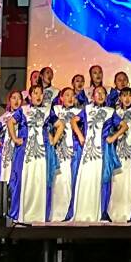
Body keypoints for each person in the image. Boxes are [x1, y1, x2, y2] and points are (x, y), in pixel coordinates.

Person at [71, 86, 115, 222]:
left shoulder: (110, 111)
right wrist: (80, 135)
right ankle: (82, 211)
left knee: (98, 179)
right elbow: (73, 121)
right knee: (86, 178)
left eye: (103, 93)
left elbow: (124, 125)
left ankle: (97, 212)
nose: (100, 95)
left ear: (106, 96)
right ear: (92, 96)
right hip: (87, 150)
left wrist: (113, 137)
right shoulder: (87, 109)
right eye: (97, 93)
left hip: (101, 151)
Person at [14, 84, 53, 224]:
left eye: (40, 93)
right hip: (27, 152)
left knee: (39, 180)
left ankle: (39, 215)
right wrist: (15, 138)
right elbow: (11, 122)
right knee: (27, 179)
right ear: (30, 96)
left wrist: (53, 140)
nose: (38, 96)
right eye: (35, 93)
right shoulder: (23, 110)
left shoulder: (47, 110)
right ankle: (24, 214)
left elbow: (59, 124)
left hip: (41, 151)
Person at [105, 88, 131, 222]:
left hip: (130, 150)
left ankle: (129, 211)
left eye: (130, 96)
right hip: (117, 149)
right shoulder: (115, 112)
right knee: (116, 180)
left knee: (128, 179)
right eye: (124, 96)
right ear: (119, 98)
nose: (127, 99)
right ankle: (114, 212)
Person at [48, 88, 78, 221]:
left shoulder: (79, 112)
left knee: (68, 180)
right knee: (57, 179)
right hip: (57, 148)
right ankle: (54, 213)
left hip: (72, 149)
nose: (70, 98)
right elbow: (47, 125)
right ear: (61, 97)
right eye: (67, 95)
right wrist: (52, 139)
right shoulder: (55, 110)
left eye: (72, 95)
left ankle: (67, 212)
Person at [0, 90, 22, 217]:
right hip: (5, 150)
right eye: (13, 98)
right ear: (9, 100)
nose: (16, 101)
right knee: (3, 176)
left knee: (15, 177)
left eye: (19, 98)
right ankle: (2, 208)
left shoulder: (23, 114)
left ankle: (14, 210)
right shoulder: (4, 117)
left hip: (17, 148)